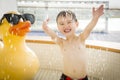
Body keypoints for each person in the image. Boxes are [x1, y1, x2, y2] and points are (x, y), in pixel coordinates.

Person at [42, 5, 104, 80]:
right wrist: (46, 28)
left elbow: (88, 29)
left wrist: (95, 18)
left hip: (82, 78)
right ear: (58, 28)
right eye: (62, 24)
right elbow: (53, 36)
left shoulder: (81, 38)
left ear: (76, 24)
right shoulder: (61, 42)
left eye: (69, 22)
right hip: (66, 77)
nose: (66, 26)